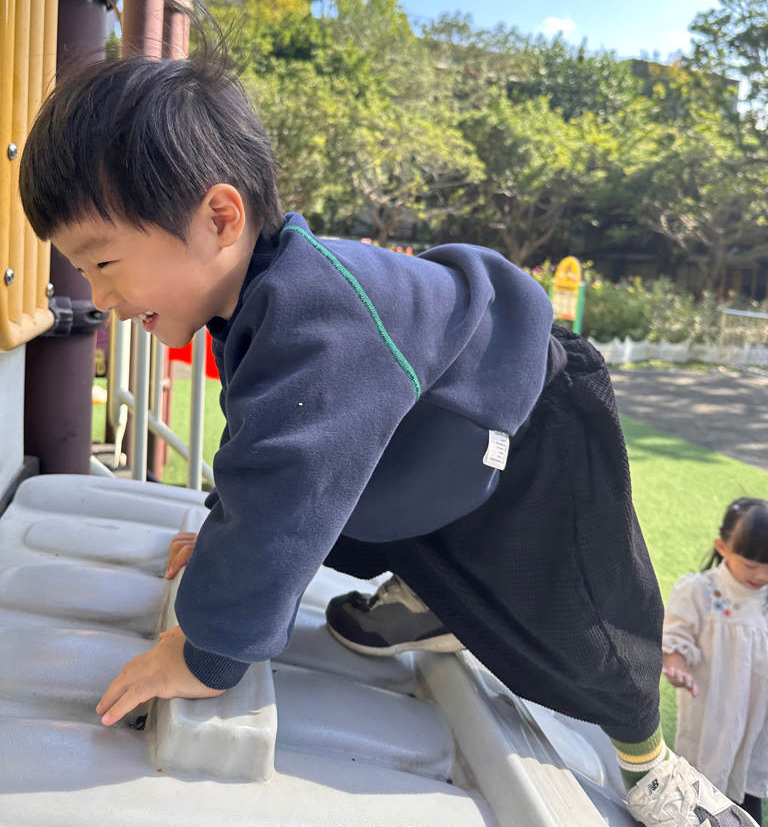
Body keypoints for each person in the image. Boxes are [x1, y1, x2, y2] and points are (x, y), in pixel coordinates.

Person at [18, 46, 757, 827]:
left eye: (103, 262)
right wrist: (221, 532)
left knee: (586, 617)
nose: (98, 296)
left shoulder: (314, 312)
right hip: (432, 444)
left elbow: (286, 484)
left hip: (531, 420)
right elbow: (262, 445)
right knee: (361, 497)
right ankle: (437, 601)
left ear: (221, 218)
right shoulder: (257, 304)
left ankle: (650, 765)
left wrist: (208, 652)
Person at [662, 498, 768, 825]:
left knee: (745, 795)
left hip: (757, 721)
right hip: (712, 714)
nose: (761, 574)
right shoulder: (701, 591)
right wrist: (676, 665)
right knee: (696, 798)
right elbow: (676, 635)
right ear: (722, 547)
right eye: (750, 565)